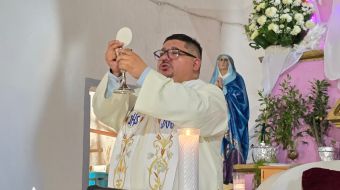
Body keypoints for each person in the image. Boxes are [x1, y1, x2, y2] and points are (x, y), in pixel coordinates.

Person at [93, 34, 228, 190]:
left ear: (195, 63)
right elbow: (106, 111)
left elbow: (193, 111)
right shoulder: (142, 97)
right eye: (162, 53)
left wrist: (143, 73)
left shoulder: (210, 96)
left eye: (175, 52)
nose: (165, 57)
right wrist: (115, 73)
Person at [209, 54, 250, 184]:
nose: (223, 62)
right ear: (217, 63)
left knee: (233, 148)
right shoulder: (213, 80)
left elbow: (242, 100)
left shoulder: (237, 79)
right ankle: (217, 182)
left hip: (233, 122)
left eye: (226, 60)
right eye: (220, 59)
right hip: (216, 122)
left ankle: (234, 181)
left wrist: (224, 89)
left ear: (230, 63)